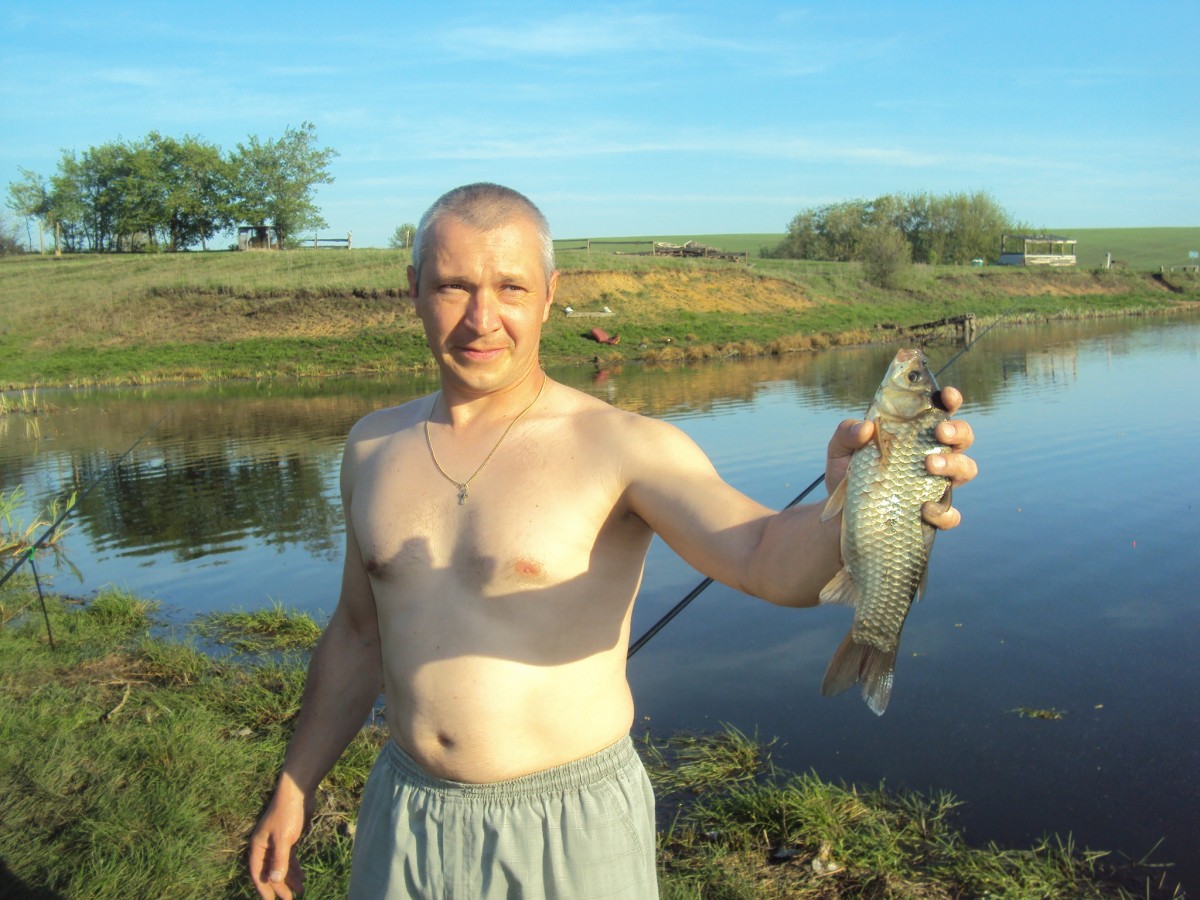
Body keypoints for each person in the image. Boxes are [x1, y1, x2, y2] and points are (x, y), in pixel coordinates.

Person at [247, 183, 978, 899]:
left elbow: (762, 557)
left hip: (568, 826)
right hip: (406, 814)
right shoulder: (372, 446)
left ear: (549, 293)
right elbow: (357, 633)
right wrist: (294, 785)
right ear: (413, 289)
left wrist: (857, 505)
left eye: (510, 287)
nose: (482, 318)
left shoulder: (623, 445)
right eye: (453, 286)